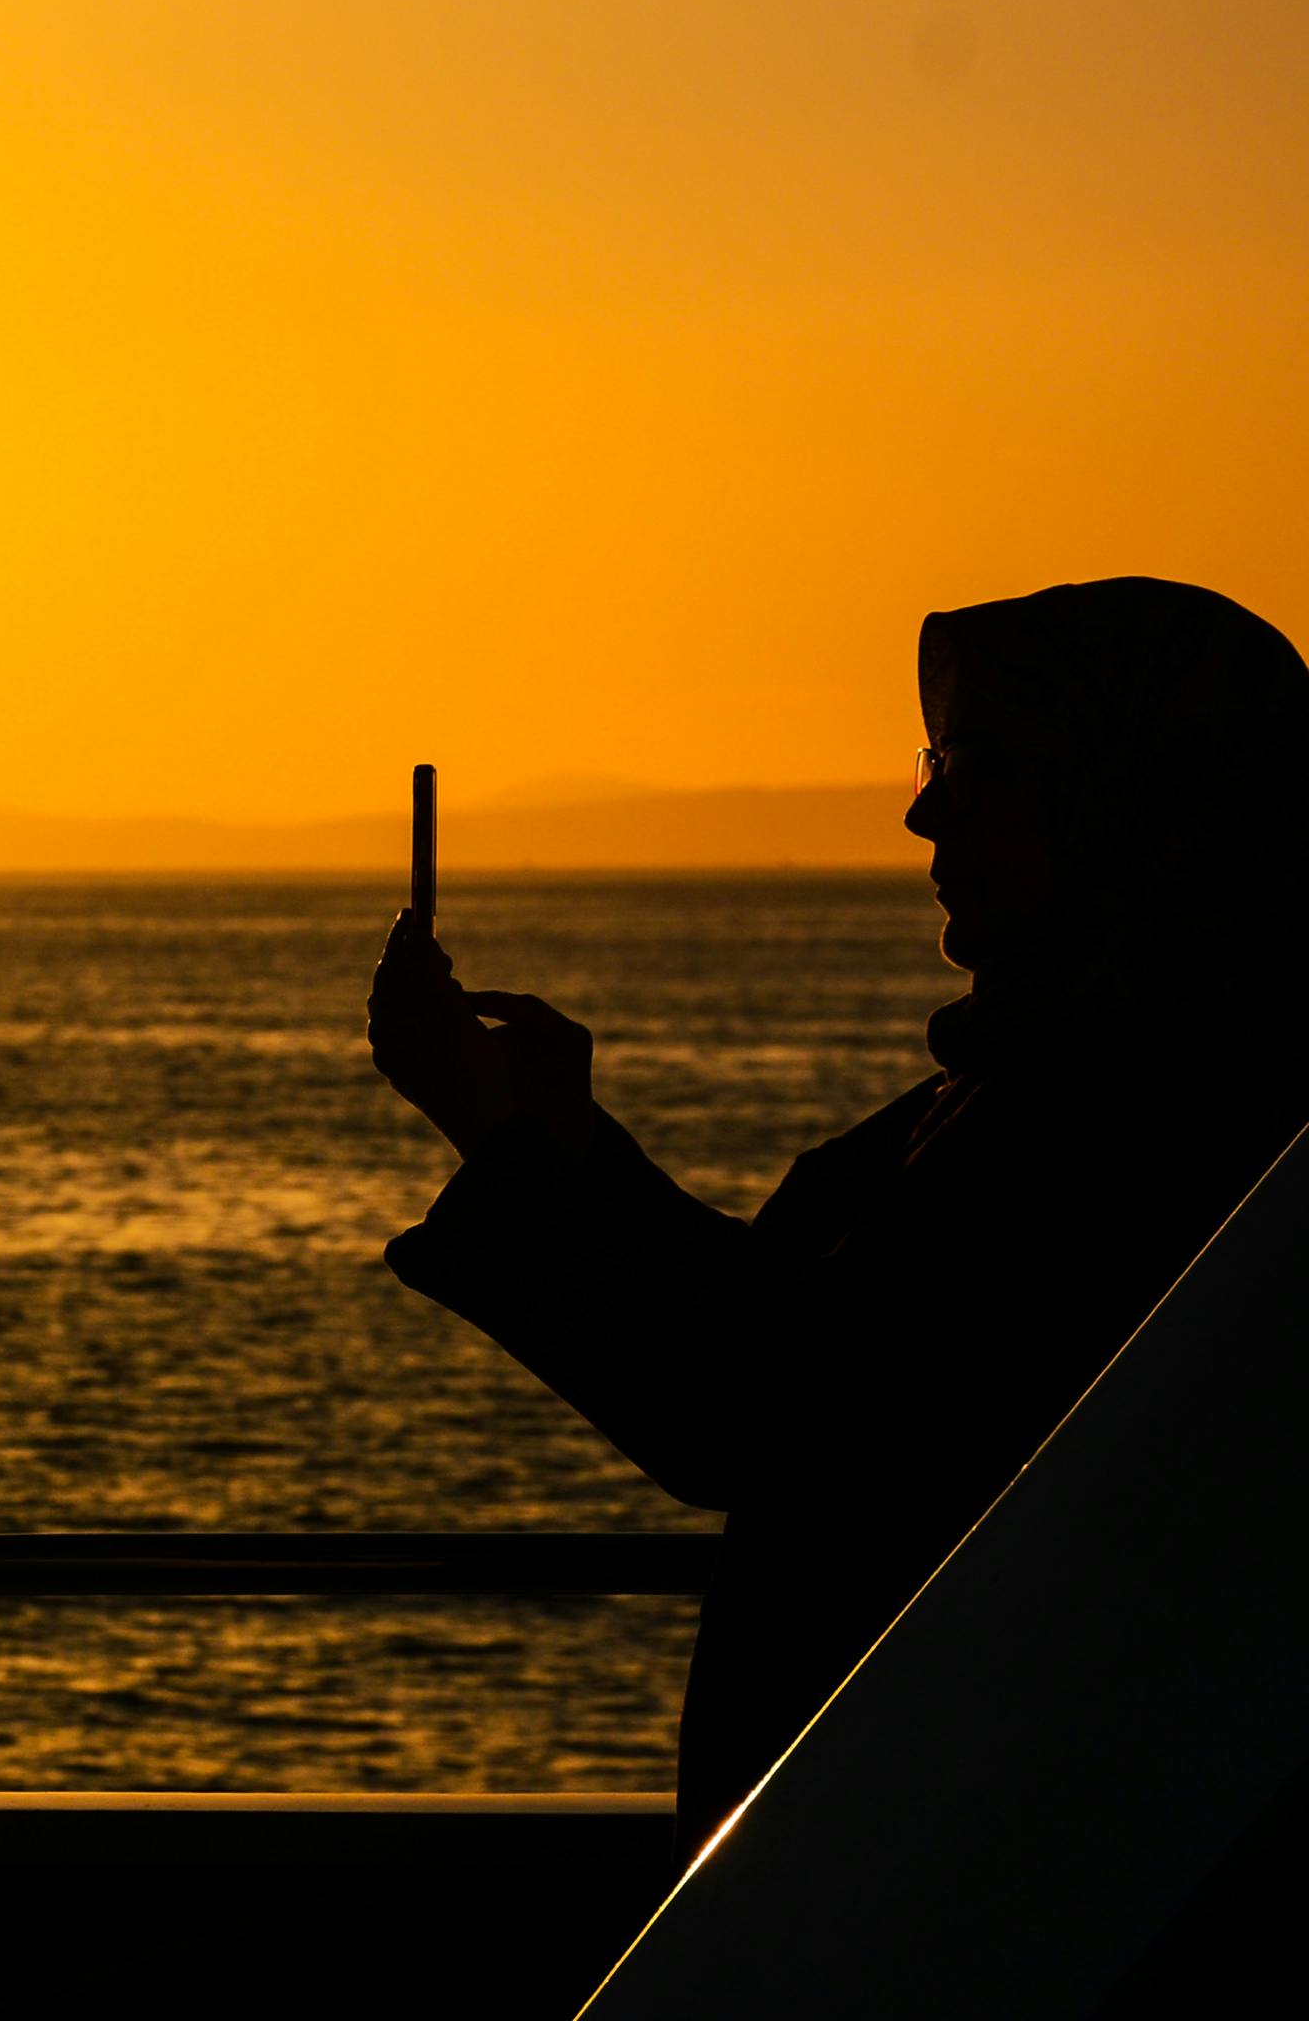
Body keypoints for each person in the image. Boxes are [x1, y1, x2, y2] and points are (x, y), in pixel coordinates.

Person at [368, 577, 1309, 1839]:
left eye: (978, 764)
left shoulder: (1126, 1117)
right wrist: (553, 1141)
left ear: (1132, 794)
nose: (923, 808)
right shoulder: (1069, 1082)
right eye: (933, 759)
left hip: (958, 1844)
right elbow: (794, 1326)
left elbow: (772, 1409)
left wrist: (508, 1141)